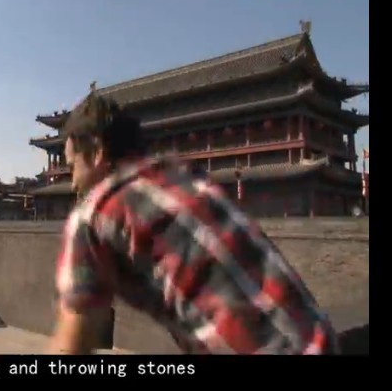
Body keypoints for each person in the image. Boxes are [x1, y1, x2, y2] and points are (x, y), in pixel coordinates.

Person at [47, 91, 339, 355]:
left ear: (96, 153)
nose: (73, 183)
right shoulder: (190, 180)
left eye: (72, 167)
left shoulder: (95, 214)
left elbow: (70, 347)